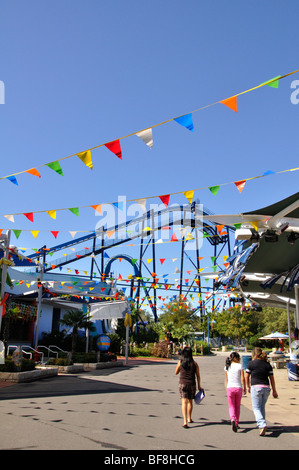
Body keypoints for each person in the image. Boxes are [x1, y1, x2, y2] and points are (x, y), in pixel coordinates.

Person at [245, 347, 278, 436]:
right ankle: (262, 426)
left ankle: (262, 424)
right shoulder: (267, 365)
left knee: (256, 408)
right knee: (262, 407)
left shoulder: (251, 364)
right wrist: (274, 390)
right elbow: (272, 379)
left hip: (256, 387)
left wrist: (247, 386)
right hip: (266, 388)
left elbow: (246, 376)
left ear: (255, 355)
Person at [175, 347, 201, 428]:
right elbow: (198, 376)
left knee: (184, 402)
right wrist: (199, 386)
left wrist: (180, 369)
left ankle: (185, 421)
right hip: (192, 384)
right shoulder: (195, 363)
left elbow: (176, 372)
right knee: (190, 401)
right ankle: (189, 418)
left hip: (182, 384)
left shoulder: (180, 362)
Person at [224, 352, 246, 432]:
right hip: (238, 388)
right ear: (236, 358)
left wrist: (228, 386)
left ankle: (232, 418)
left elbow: (227, 379)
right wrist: (245, 387)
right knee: (237, 406)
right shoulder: (240, 366)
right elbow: (243, 378)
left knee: (231, 406)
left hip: (230, 388)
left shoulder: (227, 366)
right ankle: (236, 423)